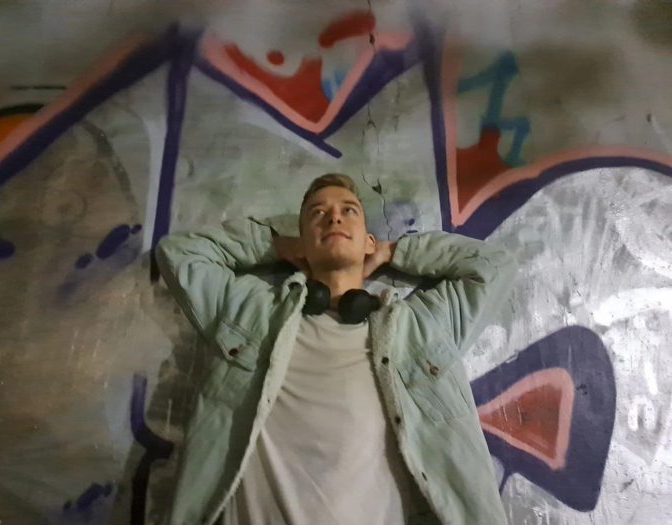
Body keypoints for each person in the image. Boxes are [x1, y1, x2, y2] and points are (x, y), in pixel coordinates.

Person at [156, 173, 517, 525]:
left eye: (349, 210)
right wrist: (277, 246)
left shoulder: (420, 327)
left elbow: (494, 266)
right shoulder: (251, 313)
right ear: (302, 243)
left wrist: (394, 251)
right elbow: (180, 253)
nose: (334, 218)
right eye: (318, 213)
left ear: (368, 241)